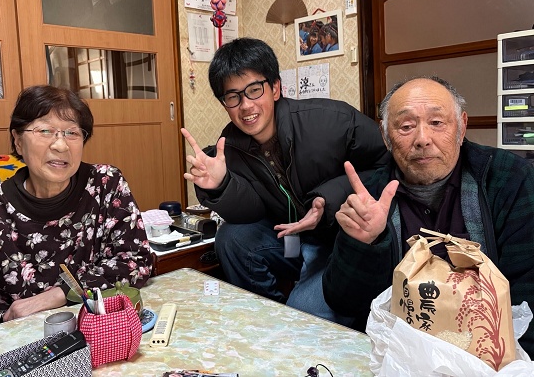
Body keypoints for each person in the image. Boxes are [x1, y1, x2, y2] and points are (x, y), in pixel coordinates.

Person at [322, 76, 534, 357]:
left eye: (436, 122)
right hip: (398, 352)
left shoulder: (509, 179)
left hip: (489, 352)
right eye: (406, 126)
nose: (422, 139)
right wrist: (364, 244)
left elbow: (528, 294)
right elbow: (344, 303)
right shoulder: (371, 195)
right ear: (386, 137)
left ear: (461, 127)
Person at [181, 37, 389, 320]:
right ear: (224, 103)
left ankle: (294, 316)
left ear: (276, 87)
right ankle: (268, 318)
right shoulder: (229, 146)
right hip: (290, 240)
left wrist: (327, 201)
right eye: (233, 96)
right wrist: (222, 185)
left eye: (254, 90)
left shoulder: (331, 120)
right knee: (230, 238)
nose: (245, 105)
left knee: (304, 316)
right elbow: (252, 210)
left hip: (339, 241)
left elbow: (384, 164)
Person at [0, 85, 152, 342]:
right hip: (18, 347)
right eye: (45, 131)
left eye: (72, 132)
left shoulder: (106, 184)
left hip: (100, 338)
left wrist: (59, 294)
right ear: (18, 140)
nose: (60, 145)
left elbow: (136, 261)